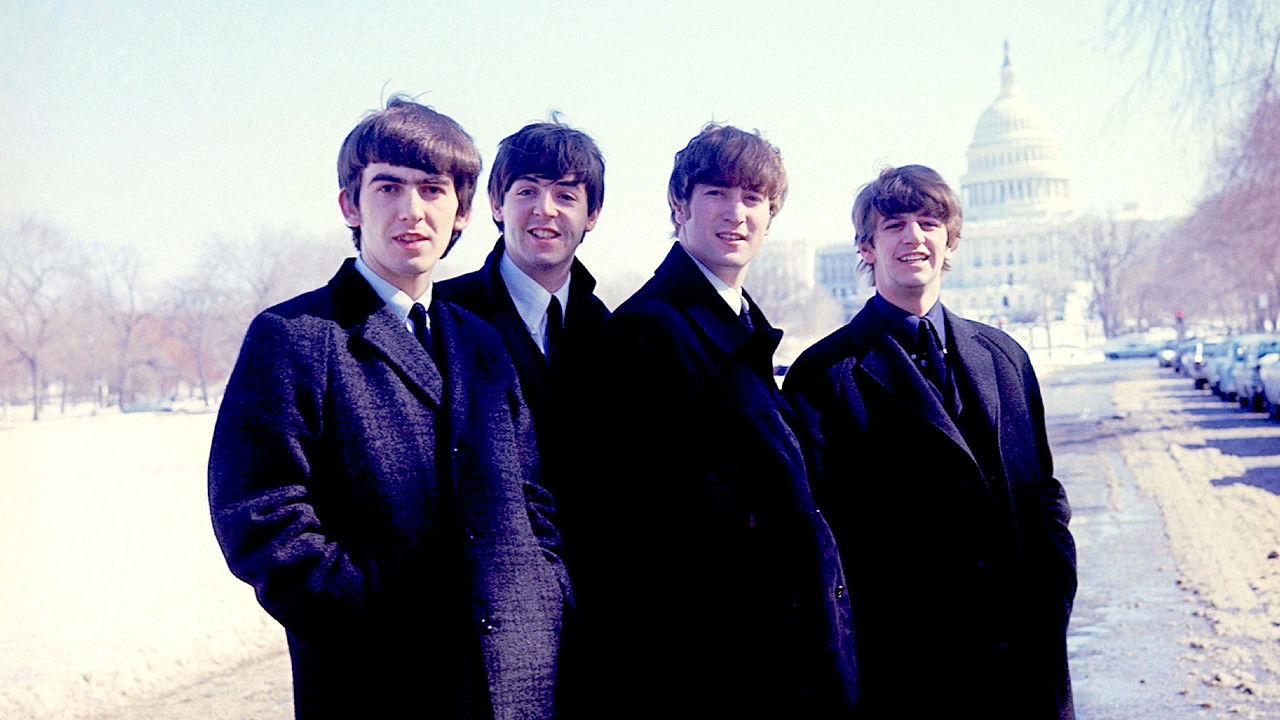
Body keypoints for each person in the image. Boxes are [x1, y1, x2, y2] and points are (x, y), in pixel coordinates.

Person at [208, 97, 569, 720]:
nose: (412, 210)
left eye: (433, 189)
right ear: (350, 204)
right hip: (377, 678)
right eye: (388, 187)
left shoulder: (481, 340)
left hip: (517, 682)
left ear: (461, 211)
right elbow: (261, 518)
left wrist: (547, 594)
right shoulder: (294, 336)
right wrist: (369, 608)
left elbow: (532, 498)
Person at [569, 124, 858, 718]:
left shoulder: (738, 324)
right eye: (717, 194)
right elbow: (647, 532)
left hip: (777, 656)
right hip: (720, 668)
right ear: (679, 205)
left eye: (753, 198)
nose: (736, 214)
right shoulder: (645, 333)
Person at [783, 165, 1077, 719]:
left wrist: (1052, 600)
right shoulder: (823, 376)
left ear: (950, 242)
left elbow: (1043, 494)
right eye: (894, 225)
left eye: (928, 223)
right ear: (867, 248)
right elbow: (818, 544)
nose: (913, 237)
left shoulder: (1005, 357)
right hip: (904, 673)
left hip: (1021, 663)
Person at [435, 120, 608, 506]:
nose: (544, 210)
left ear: (592, 214)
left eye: (565, 196)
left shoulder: (611, 332)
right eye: (527, 191)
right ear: (497, 204)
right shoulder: (443, 317)